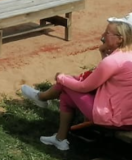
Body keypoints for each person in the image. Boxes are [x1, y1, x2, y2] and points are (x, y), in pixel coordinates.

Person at [21, 14, 132, 152]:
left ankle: (42, 98)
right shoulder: (127, 54)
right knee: (67, 95)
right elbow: (108, 75)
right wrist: (103, 53)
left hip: (114, 119)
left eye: (107, 33)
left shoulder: (113, 61)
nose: (103, 35)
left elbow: (85, 87)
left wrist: (61, 78)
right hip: (126, 117)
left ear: (120, 39)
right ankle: (59, 139)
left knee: (66, 85)